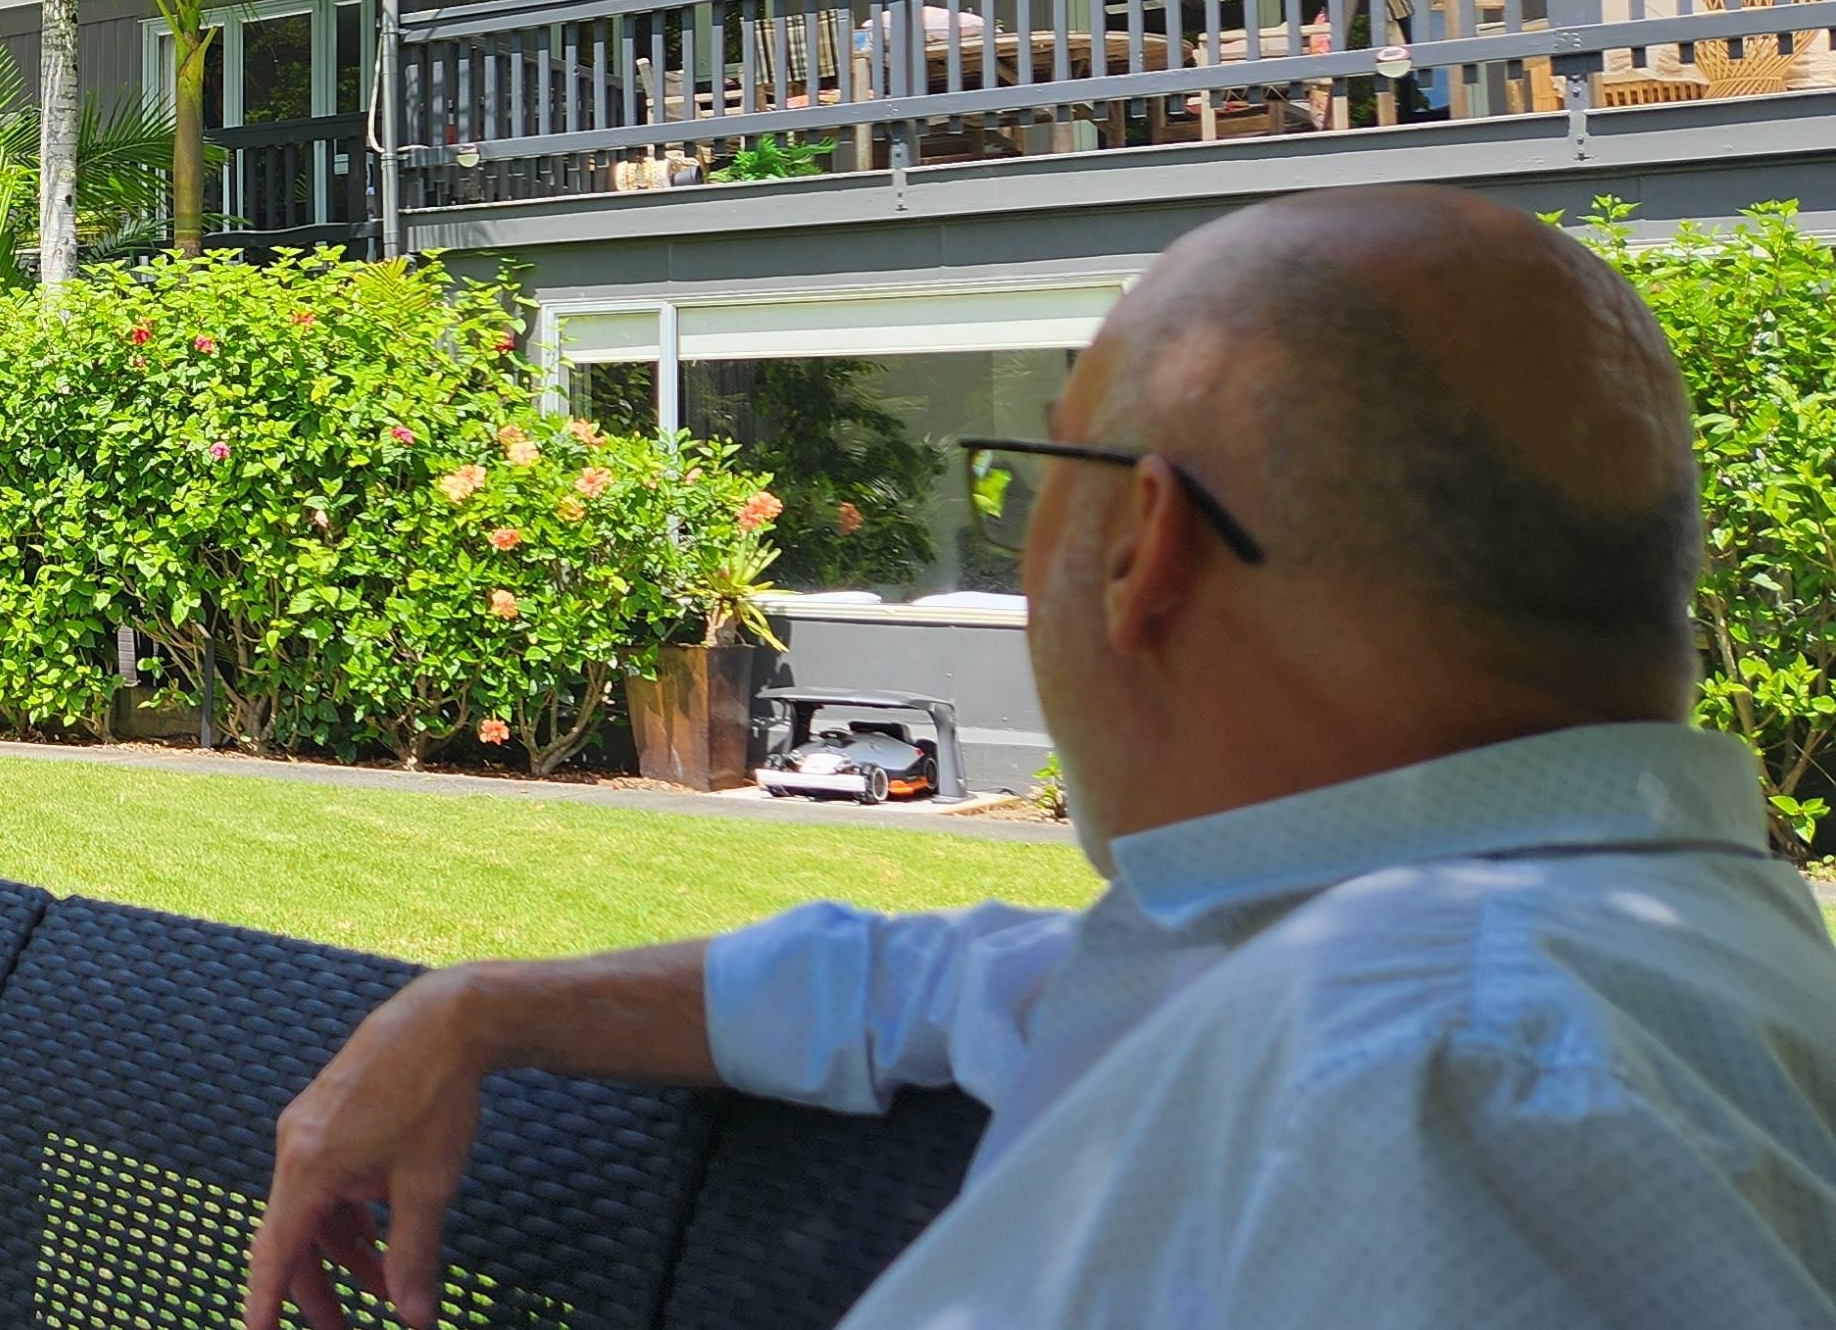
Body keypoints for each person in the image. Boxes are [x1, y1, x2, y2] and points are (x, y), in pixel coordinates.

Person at [243, 185, 1836, 1329]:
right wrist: (483, 1007)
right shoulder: (1411, 949)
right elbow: (962, 985)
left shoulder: (1452, 1094)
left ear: (1144, 546)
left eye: (1039, 470)